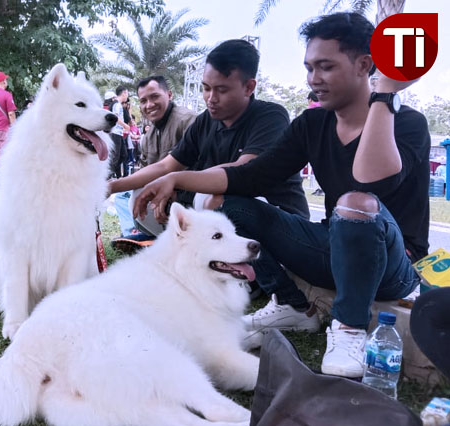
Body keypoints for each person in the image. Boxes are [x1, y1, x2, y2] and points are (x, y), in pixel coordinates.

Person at [133, 12, 429, 378]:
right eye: (309, 68)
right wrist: (177, 177)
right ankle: (294, 306)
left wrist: (384, 94)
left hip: (394, 265)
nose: (313, 79)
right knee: (236, 208)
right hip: (332, 249)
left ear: (364, 65)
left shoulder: (408, 123)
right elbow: (252, 176)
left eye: (325, 67)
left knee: (356, 204)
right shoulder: (312, 123)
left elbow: (368, 184)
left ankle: (349, 329)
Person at [110, 40, 310, 239]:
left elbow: (243, 172)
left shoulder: (271, 117)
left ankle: (269, 268)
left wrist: (175, 180)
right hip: (217, 209)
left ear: (249, 87)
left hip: (280, 221)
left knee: (213, 199)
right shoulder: (205, 120)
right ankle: (190, 254)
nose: (211, 98)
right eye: (206, 88)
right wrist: (111, 186)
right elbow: (165, 167)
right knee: (141, 195)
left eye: (221, 90)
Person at [110, 75, 197, 251]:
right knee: (125, 196)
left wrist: (173, 193)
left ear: (169, 94)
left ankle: (160, 241)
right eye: (143, 100)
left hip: (188, 199)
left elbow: (202, 170)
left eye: (155, 97)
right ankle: (141, 235)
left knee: (136, 195)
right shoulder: (149, 135)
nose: (149, 105)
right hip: (161, 195)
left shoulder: (187, 121)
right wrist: (112, 186)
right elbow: (145, 173)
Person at [108, 86, 131, 178]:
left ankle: (116, 175)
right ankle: (108, 177)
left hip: (119, 133)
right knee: (116, 157)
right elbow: (115, 118)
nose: (127, 96)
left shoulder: (117, 104)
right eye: (127, 93)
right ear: (124, 93)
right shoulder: (117, 104)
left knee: (123, 155)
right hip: (115, 133)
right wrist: (125, 125)